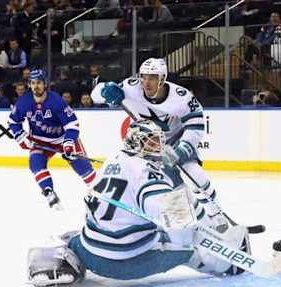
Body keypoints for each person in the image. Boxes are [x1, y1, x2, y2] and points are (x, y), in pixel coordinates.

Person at [27, 120, 250, 286]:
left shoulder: (113, 159)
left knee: (74, 236)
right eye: (152, 143)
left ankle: (63, 262)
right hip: (126, 265)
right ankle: (229, 266)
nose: (159, 148)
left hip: (90, 253)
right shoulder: (149, 174)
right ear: (137, 143)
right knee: (188, 249)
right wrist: (191, 208)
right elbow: (181, 228)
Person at [92, 57, 229, 233]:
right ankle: (175, 220)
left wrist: (183, 149)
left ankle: (214, 213)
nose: (146, 82)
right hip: (143, 142)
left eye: (152, 78)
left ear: (162, 78)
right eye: (144, 77)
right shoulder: (131, 87)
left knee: (194, 173)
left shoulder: (181, 97)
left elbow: (196, 124)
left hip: (174, 141)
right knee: (148, 179)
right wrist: (105, 90)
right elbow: (95, 95)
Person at [8, 69, 96, 210]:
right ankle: (49, 192)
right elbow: (12, 121)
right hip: (39, 141)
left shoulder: (56, 101)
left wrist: (68, 144)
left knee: (83, 168)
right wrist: (21, 136)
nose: (36, 86)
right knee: (35, 164)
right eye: (33, 83)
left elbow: (72, 125)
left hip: (62, 139)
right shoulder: (23, 102)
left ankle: (99, 191)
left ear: (45, 84)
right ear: (29, 85)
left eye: (39, 83)